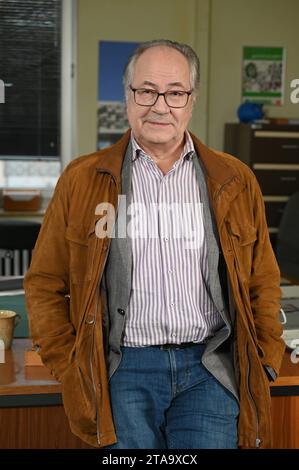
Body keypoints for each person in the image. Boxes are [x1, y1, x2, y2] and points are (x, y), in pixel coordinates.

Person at [24, 39, 285, 449]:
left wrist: (266, 356)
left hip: (210, 367)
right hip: (123, 368)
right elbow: (44, 281)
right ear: (128, 96)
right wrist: (70, 364)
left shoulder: (233, 180)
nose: (159, 105)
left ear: (191, 100)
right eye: (146, 91)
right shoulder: (83, 180)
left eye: (175, 92)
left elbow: (263, 278)